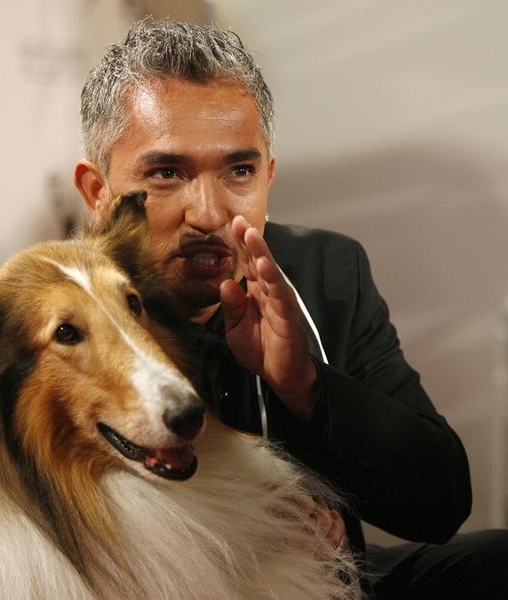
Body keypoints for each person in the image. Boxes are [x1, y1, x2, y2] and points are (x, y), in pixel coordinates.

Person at [73, 19, 508, 599]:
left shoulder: (325, 272)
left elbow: (439, 505)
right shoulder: (66, 320)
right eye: (167, 173)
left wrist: (304, 384)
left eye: (239, 171)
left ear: (269, 177)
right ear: (97, 192)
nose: (207, 213)